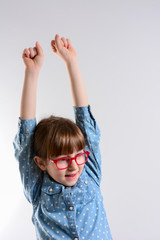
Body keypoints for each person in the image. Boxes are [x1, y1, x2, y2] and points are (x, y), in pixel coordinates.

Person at [13, 34, 113, 240]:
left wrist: (71, 62)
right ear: (40, 163)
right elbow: (26, 136)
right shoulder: (37, 188)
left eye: (78, 156)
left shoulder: (90, 172)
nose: (74, 166)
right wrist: (31, 72)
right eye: (63, 160)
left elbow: (84, 117)